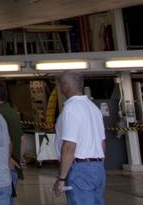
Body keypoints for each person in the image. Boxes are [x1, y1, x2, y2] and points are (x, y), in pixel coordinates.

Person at [51, 71, 105, 205]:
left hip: (80, 170)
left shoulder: (71, 108)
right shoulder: (94, 108)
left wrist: (61, 178)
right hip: (98, 168)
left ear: (65, 85)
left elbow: (69, 146)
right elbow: (102, 143)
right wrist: (97, 166)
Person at [0, 82, 23, 194]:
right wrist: (19, 158)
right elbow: (22, 138)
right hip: (14, 165)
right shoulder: (11, 112)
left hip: (5, 167)